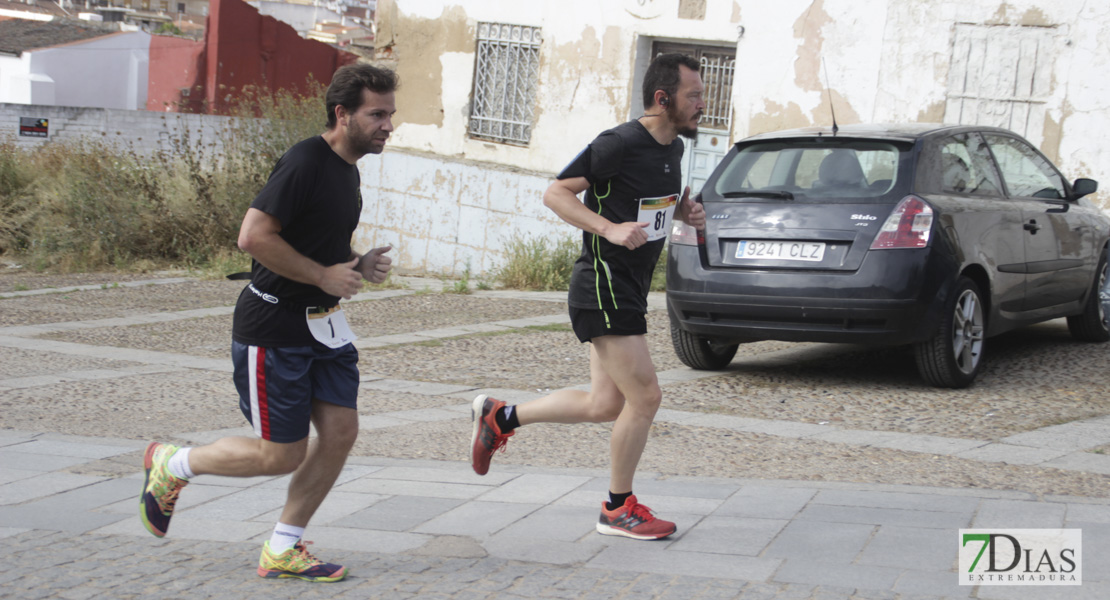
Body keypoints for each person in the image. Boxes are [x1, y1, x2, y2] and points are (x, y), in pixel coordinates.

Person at [139, 63, 399, 582]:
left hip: (323, 327)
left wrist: (353, 263)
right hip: (275, 329)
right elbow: (254, 237)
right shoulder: (305, 161)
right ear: (342, 113)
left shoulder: (347, 170)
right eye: (377, 114)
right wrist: (323, 274)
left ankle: (283, 546)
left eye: (391, 115)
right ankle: (174, 463)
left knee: (341, 431)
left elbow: (313, 240)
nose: (388, 125)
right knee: (280, 455)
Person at [469, 53, 707, 540]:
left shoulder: (674, 150)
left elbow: (649, 207)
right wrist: (608, 229)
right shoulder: (617, 143)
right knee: (645, 397)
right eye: (695, 95)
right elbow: (557, 192)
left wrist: (682, 213)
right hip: (602, 284)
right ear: (663, 100)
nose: (704, 104)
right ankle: (617, 508)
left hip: (629, 289)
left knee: (604, 404)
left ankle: (502, 415)